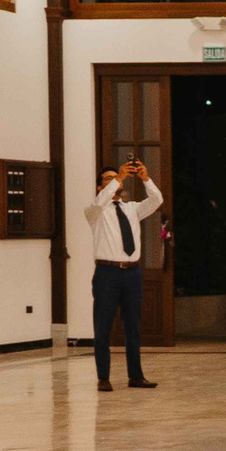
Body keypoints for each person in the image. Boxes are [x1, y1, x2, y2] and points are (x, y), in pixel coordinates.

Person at [86, 157, 163, 392]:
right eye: (107, 180)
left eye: (116, 179)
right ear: (101, 186)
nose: (114, 182)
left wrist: (145, 177)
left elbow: (157, 200)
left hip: (132, 273)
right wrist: (118, 176)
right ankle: (103, 377)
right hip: (107, 273)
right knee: (103, 326)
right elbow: (100, 201)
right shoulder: (95, 211)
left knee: (133, 326)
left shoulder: (132, 209)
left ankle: (136, 376)